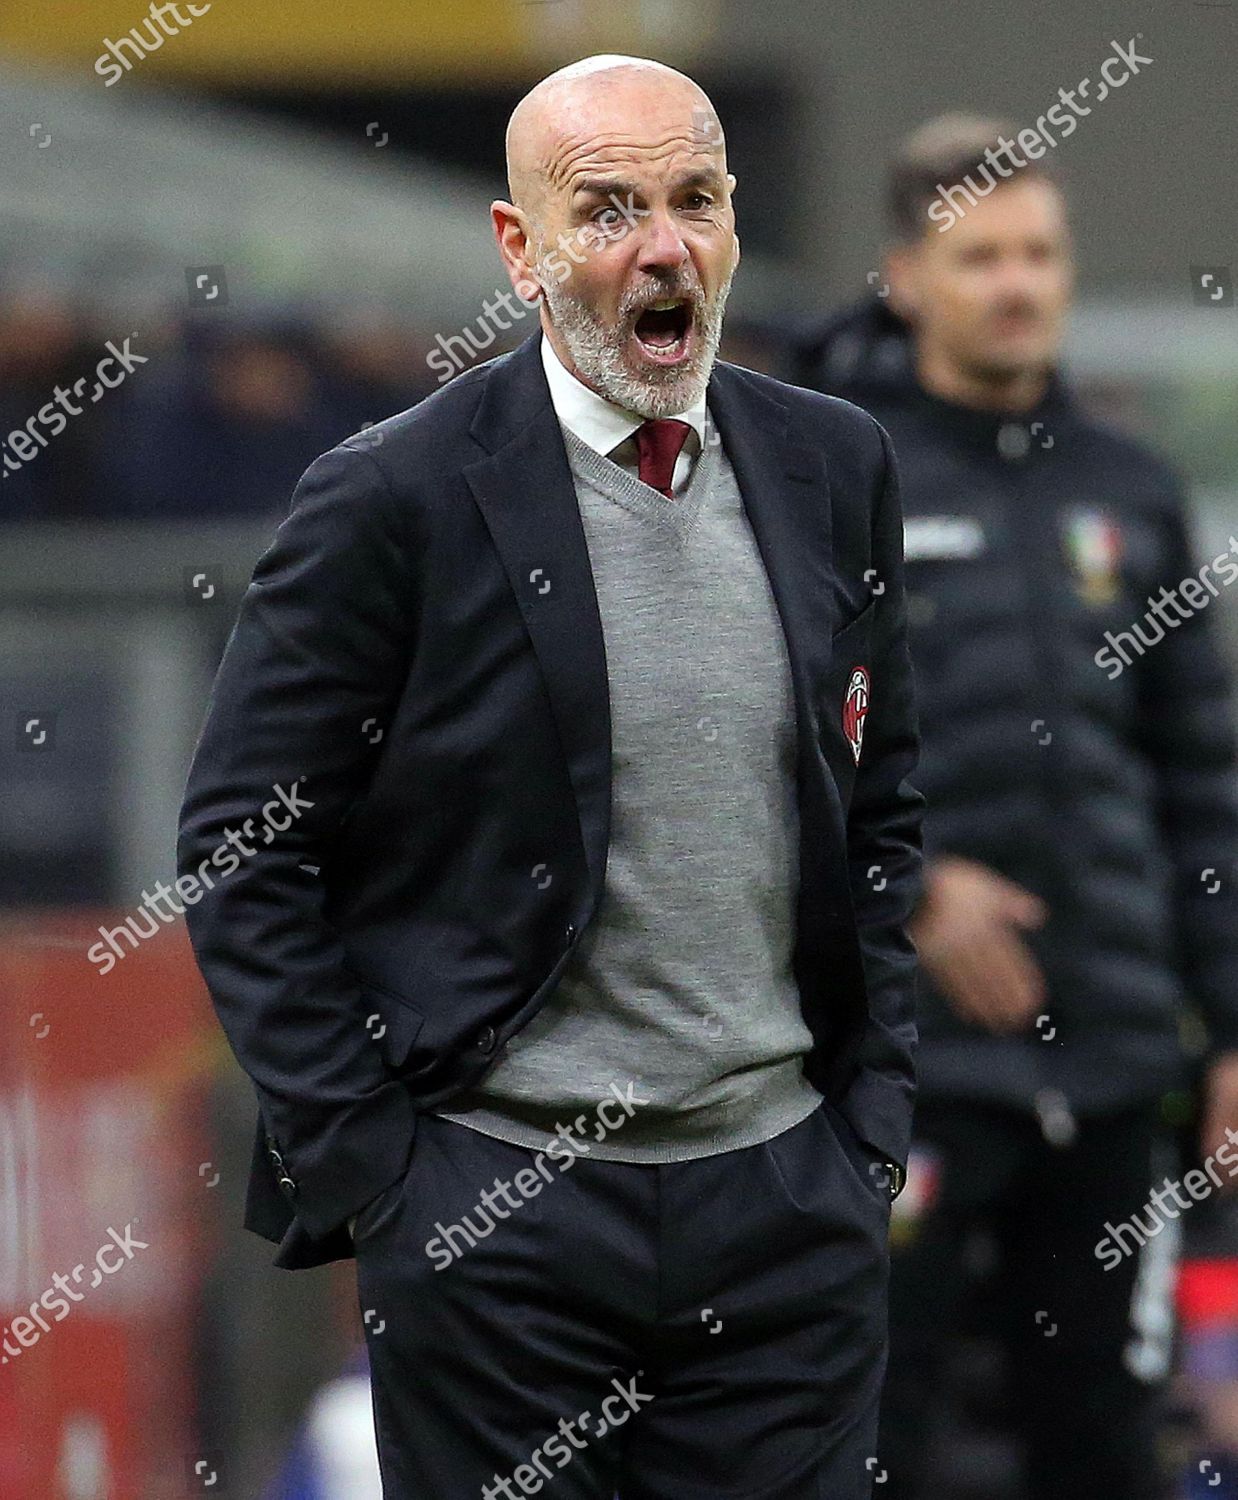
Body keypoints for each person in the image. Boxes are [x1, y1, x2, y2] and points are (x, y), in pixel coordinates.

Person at [178, 55, 923, 1499]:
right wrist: (384, 1177)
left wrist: (865, 1135)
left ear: (733, 229)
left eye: (694, 199)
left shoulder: (836, 465)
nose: (662, 246)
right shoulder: (391, 494)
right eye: (608, 210)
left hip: (782, 1207)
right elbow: (240, 848)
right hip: (491, 1218)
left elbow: (878, 804)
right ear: (518, 252)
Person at [790, 113, 1238, 1499]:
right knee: (870, 1442)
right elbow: (766, 750)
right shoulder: (833, 480)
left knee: (1104, 1446)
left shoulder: (1132, 490)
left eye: (1037, 253)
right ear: (905, 276)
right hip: (901, 1073)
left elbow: (1201, 782)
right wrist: (912, 892)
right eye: (977, 255)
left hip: (1109, 1070)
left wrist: (1227, 1033)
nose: (1015, 283)